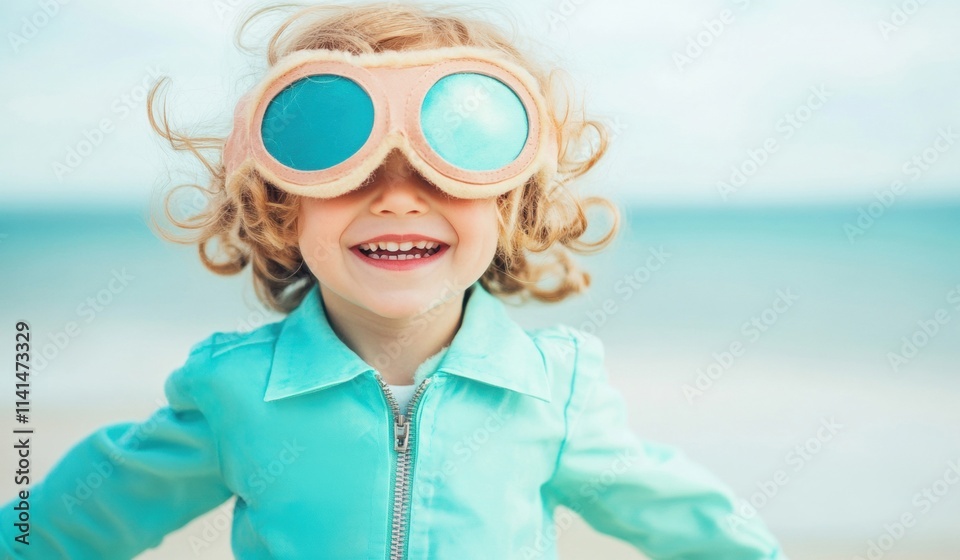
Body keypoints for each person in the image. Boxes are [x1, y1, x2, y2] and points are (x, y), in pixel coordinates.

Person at [1, 3, 789, 559]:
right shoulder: (235, 391)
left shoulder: (554, 388)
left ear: (514, 204)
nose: (398, 196)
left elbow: (692, 525)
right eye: (346, 168)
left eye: (449, 166)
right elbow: (74, 525)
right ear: (279, 207)